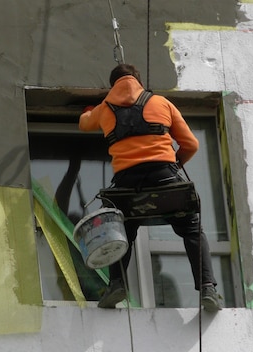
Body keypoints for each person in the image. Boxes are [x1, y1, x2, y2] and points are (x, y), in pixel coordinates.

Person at [78, 64, 223, 311]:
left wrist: (89, 110)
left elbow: (84, 124)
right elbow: (191, 144)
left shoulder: (104, 109)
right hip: (164, 176)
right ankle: (207, 288)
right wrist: (176, 163)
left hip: (127, 183)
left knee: (121, 229)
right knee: (191, 229)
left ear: (113, 85)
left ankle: (116, 285)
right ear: (139, 82)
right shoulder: (161, 103)